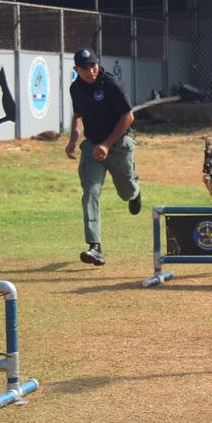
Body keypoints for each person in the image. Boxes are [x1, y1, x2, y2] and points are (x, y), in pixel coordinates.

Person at [65, 48, 142, 266]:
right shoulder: (75, 88)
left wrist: (107, 144)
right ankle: (95, 246)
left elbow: (128, 116)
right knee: (91, 191)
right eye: (85, 67)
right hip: (92, 147)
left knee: (126, 192)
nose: (91, 70)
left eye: (93, 65)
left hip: (118, 145)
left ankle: (135, 192)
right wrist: (73, 139)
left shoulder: (109, 84)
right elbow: (78, 115)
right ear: (76, 69)